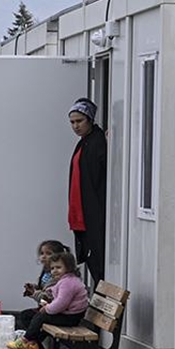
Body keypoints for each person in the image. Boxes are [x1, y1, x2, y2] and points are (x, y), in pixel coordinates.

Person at [7, 251, 89, 349]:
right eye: (52, 268)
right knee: (28, 315)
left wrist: (47, 308)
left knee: (41, 317)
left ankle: (25, 341)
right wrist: (49, 292)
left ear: (69, 267)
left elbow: (61, 303)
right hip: (68, 314)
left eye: (58, 267)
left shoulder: (68, 283)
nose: (54, 271)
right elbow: (56, 291)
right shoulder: (66, 280)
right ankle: (33, 344)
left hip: (71, 318)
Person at [9, 240, 68, 349]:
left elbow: (50, 297)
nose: (43, 257)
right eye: (41, 253)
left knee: (33, 323)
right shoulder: (47, 271)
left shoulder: (60, 274)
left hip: (60, 312)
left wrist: (34, 294)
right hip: (49, 309)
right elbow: (45, 290)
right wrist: (35, 288)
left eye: (48, 253)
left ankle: (28, 345)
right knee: (30, 321)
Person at [67, 98, 107, 285]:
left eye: (79, 121)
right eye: (72, 122)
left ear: (90, 120)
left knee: (98, 262)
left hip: (92, 214)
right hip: (81, 215)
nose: (75, 126)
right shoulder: (83, 143)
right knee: (91, 261)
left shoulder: (97, 142)